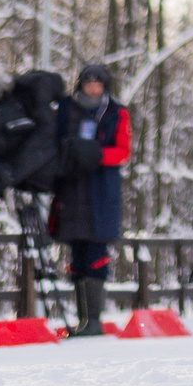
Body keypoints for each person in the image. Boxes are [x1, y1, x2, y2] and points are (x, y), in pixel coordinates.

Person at [48, 63, 130, 337]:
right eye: (88, 83)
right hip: (72, 189)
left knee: (96, 254)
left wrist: (96, 154)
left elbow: (122, 151)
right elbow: (54, 142)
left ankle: (93, 319)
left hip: (101, 192)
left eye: (98, 84)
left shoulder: (117, 113)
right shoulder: (66, 110)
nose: (93, 88)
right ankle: (83, 319)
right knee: (77, 255)